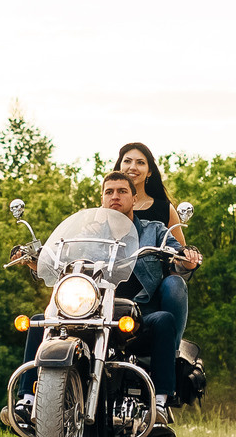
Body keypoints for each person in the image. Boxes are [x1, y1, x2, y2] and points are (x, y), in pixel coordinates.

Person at [10, 170, 196, 410]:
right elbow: (61, 256)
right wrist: (37, 260)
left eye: (122, 191)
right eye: (109, 192)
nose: (115, 196)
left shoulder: (155, 230)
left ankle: (160, 401)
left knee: (163, 320)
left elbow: (178, 254)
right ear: (102, 199)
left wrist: (187, 258)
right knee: (40, 321)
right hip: (91, 309)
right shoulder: (87, 234)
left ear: (134, 199)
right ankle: (27, 400)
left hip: (134, 314)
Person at [114, 143, 201, 412]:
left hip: (151, 290)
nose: (132, 167)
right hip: (113, 291)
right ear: (118, 167)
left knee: (175, 282)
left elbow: (180, 255)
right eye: (127, 161)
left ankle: (169, 354)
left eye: (140, 162)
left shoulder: (163, 211)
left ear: (149, 171)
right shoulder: (109, 209)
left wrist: (188, 258)